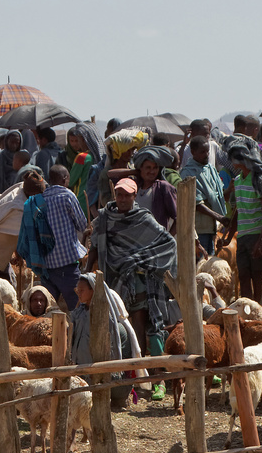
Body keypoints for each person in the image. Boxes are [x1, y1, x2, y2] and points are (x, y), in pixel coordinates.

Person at [89, 177, 177, 401]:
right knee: (123, 327)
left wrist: (141, 261)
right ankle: (132, 378)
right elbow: (95, 248)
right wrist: (89, 273)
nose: (123, 199)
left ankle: (158, 379)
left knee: (150, 325)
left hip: (143, 281)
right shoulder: (105, 218)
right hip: (115, 281)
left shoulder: (143, 219)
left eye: (128, 195)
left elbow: (168, 243)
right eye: (119, 194)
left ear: (134, 196)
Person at [69, 272, 137, 410]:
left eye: (82, 290)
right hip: (81, 370)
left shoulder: (105, 319)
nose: (79, 293)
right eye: (77, 290)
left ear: (93, 290)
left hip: (99, 373)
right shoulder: (78, 314)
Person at [224, 141, 262, 303]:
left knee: (256, 276)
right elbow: (238, 210)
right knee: (243, 274)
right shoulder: (237, 180)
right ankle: (246, 307)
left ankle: (257, 307)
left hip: (256, 233)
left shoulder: (258, 180)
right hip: (242, 235)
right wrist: (229, 236)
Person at [39, 165, 87, 308]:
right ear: (65, 179)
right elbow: (81, 224)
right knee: (78, 307)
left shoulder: (40, 199)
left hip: (46, 266)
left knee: (48, 309)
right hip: (67, 264)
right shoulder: (67, 195)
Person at [181, 135, 225, 257]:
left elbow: (218, 196)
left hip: (212, 228)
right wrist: (219, 217)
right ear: (193, 152)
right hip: (199, 229)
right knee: (201, 266)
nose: (206, 155)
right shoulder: (188, 173)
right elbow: (196, 204)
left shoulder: (210, 169)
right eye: (202, 152)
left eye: (207, 151)